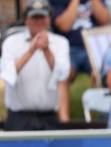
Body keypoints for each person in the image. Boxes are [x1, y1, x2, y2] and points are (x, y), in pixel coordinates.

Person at [1, 0, 69, 130]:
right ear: (26, 20)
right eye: (34, 17)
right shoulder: (11, 42)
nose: (38, 22)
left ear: (49, 19)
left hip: (48, 118)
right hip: (19, 118)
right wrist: (30, 51)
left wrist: (47, 50)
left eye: (42, 17)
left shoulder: (61, 43)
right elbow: (7, 75)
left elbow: (62, 75)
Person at [51, 0, 110, 82]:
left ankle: (94, 94)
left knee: (103, 75)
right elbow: (64, 26)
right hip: (69, 48)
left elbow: (105, 20)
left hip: (94, 48)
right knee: (63, 75)